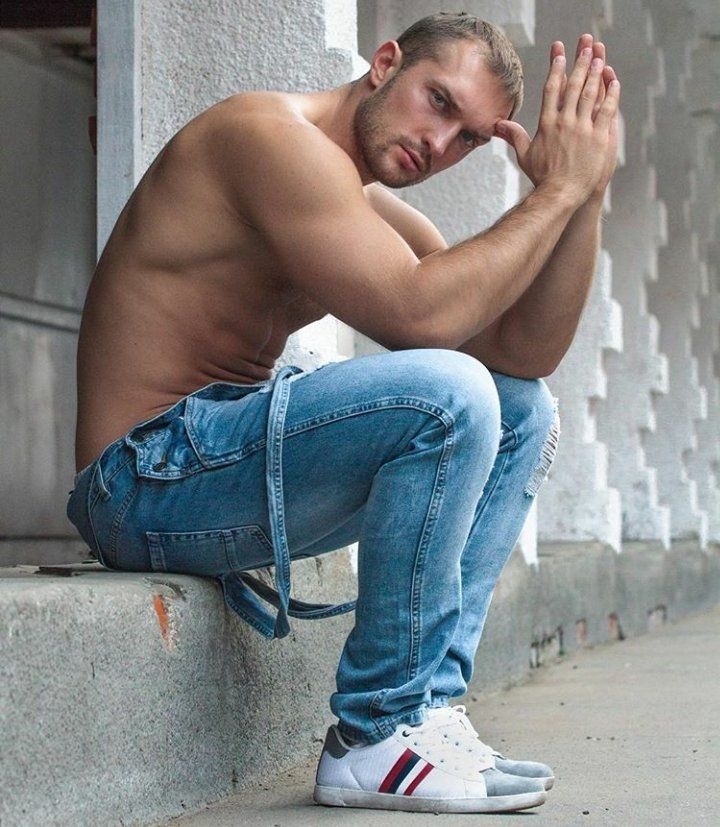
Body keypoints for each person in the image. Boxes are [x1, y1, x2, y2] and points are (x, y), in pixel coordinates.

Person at [67, 12, 619, 815]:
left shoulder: (370, 210)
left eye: (468, 137)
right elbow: (422, 317)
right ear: (385, 63)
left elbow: (524, 354)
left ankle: (424, 709)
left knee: (519, 410)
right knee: (448, 392)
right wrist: (557, 192)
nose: (440, 142)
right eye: (438, 101)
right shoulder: (266, 138)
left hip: (214, 464)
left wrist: (582, 194)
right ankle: (375, 729)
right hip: (137, 478)